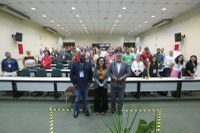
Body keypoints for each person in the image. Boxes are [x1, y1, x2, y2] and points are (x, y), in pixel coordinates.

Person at [70, 52, 93, 118]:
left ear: (85, 57)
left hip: (86, 85)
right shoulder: (74, 64)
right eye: (81, 56)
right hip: (78, 85)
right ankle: (76, 110)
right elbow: (71, 75)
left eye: (83, 56)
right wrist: (74, 83)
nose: (82, 57)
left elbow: (91, 75)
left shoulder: (88, 65)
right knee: (77, 99)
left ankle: (85, 109)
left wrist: (90, 82)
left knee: (85, 99)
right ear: (79, 56)